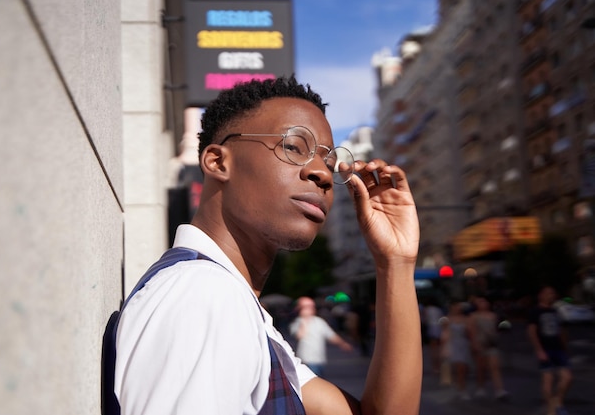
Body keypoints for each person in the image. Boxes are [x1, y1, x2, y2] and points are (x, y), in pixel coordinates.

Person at [113, 76, 422, 414]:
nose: (321, 173)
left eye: (330, 164)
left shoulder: (234, 301)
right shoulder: (204, 293)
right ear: (218, 162)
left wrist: (395, 262)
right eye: (293, 147)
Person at [528, 286, 573, 415]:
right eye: (548, 293)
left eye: (553, 293)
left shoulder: (556, 311)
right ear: (541, 295)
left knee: (567, 377)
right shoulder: (536, 312)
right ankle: (551, 410)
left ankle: (557, 400)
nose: (551, 296)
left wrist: (565, 346)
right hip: (545, 348)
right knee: (548, 380)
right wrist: (539, 349)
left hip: (558, 348)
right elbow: (531, 332)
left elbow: (562, 330)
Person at [289, 297, 354, 377]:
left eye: (311, 306)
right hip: (306, 360)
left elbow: (331, 335)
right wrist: (304, 320)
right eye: (306, 306)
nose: (310, 308)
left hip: (320, 359)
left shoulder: (319, 321)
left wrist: (343, 344)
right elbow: (300, 335)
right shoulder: (297, 322)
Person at [470, 296, 509, 400]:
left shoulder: (493, 315)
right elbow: (472, 331)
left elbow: (497, 328)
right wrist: (474, 344)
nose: (482, 304)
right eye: (480, 302)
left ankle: (499, 390)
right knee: (481, 368)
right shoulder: (474, 316)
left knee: (494, 367)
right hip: (480, 343)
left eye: (483, 301)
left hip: (491, 343)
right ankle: (480, 387)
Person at [442, 301, 474, 400]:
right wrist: (444, 346)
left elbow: (470, 333)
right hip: (453, 344)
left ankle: (461, 387)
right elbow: (445, 333)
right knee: (457, 367)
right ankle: (461, 388)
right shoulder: (448, 319)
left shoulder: (466, 319)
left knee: (464, 367)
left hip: (463, 344)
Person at [423, 298, 444, 374]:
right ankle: (439, 366)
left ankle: (435, 367)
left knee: (433, 349)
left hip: (431, 327)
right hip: (438, 327)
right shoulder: (438, 309)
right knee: (438, 348)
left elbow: (424, 319)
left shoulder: (427, 309)